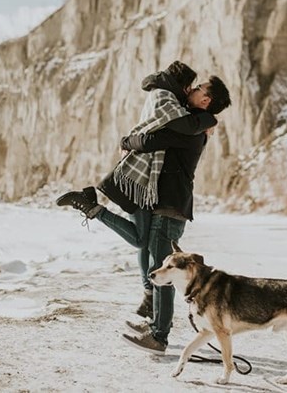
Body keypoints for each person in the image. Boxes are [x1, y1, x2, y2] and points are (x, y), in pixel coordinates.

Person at [56, 61, 217, 318]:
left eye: (194, 88)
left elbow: (174, 130)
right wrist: (208, 119)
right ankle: (90, 207)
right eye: (190, 86)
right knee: (142, 241)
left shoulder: (172, 101)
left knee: (144, 245)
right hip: (140, 179)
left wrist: (206, 119)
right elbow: (156, 136)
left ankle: (147, 296)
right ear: (182, 85)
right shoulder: (165, 98)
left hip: (147, 182)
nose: (190, 91)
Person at [118, 78, 231, 354]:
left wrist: (125, 141)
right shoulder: (196, 122)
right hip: (168, 205)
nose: (191, 89)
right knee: (158, 266)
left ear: (205, 100)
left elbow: (153, 140)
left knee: (162, 271)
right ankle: (156, 323)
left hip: (171, 207)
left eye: (198, 88)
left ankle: (159, 337)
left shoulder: (193, 127)